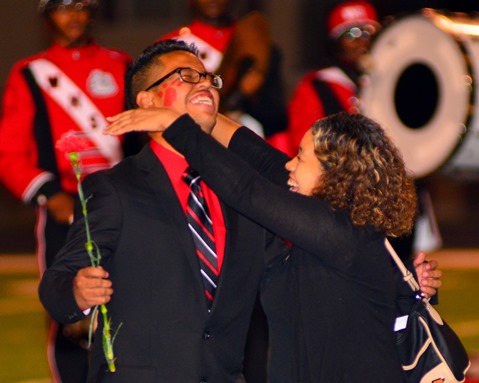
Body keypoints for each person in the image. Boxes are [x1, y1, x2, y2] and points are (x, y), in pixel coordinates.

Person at [104, 106, 443, 382]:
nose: (290, 165)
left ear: (335, 172)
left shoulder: (338, 231)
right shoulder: (328, 216)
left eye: (301, 156)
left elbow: (247, 191)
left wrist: (175, 125)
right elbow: (264, 160)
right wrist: (211, 121)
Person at [38, 39, 268, 382]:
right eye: (187, 75)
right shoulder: (115, 188)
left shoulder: (241, 188)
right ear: (147, 99)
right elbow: (56, 283)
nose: (205, 82)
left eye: (209, 77)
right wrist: (76, 291)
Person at [0, 1, 136, 381]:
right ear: (46, 17)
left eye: (82, 5)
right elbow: (9, 151)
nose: (73, 15)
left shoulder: (122, 64)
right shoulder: (29, 73)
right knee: (69, 315)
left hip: (124, 204)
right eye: (62, 7)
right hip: (64, 208)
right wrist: (48, 193)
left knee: (132, 301)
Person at [287, 0, 441, 260]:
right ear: (335, 41)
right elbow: (306, 148)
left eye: (368, 32)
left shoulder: (397, 81)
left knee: (403, 273)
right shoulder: (316, 87)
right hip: (344, 206)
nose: (361, 41)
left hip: (393, 199)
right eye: (351, 34)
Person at [159, 0, 290, 153]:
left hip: (250, 150)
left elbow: (277, 116)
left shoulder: (255, 43)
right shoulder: (170, 48)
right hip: (192, 149)